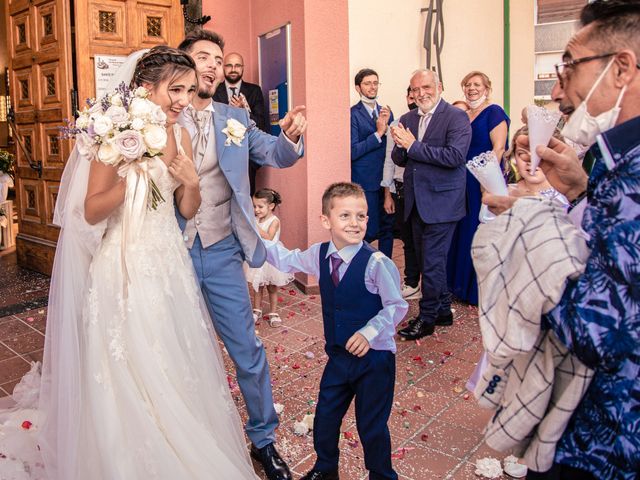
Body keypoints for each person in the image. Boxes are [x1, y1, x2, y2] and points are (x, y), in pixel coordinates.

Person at [0, 47, 260, 479]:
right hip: (121, 267)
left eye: (189, 90)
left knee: (170, 363)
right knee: (125, 368)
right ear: (145, 87)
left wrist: (191, 182)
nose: (182, 99)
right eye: (174, 89)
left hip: (168, 266)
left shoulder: (182, 136)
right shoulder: (117, 133)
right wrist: (135, 174)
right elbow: (91, 209)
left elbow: (187, 207)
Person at [483, 1, 639, 478]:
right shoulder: (619, 165)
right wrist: (578, 191)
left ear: (621, 68)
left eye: (570, 64)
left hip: (606, 441)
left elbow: (593, 331)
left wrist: (533, 219)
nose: (559, 84)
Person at [177, 29, 306, 480]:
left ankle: (263, 441)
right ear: (184, 65)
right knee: (175, 349)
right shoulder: (158, 118)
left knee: (247, 348)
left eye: (218, 57)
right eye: (202, 57)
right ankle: (184, 435)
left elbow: (273, 151)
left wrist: (288, 137)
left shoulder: (234, 118)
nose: (212, 64)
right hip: (169, 253)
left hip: (220, 250)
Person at [263, 182, 408, 480]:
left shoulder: (377, 263)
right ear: (325, 221)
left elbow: (396, 306)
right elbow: (286, 259)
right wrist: (256, 238)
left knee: (372, 426)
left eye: (361, 216)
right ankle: (325, 469)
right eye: (345, 216)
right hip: (339, 358)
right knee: (326, 417)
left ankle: (382, 475)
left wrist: (369, 332)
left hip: (375, 362)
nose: (355, 223)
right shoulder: (319, 255)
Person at [391, 69, 472, 340]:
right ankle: (443, 311)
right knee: (429, 262)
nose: (420, 93)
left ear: (439, 86)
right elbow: (401, 159)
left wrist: (412, 146)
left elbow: (454, 157)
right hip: (415, 201)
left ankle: (426, 319)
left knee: (433, 261)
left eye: (425, 87)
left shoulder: (457, 117)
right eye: (415, 89)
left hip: (443, 202)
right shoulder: (407, 118)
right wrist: (401, 146)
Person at [446, 71, 509, 306]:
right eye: (467, 85)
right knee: (460, 230)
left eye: (476, 84)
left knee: (477, 231)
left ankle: (476, 290)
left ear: (487, 87)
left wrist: (487, 181)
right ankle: (456, 285)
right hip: (460, 178)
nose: (471, 88)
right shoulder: (463, 115)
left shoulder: (494, 112)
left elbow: (499, 148)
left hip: (481, 181)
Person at [350, 68, 395, 258]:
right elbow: (352, 151)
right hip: (365, 180)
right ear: (358, 87)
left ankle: (386, 267)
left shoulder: (386, 112)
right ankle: (363, 268)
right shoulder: (353, 114)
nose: (372, 87)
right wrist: (378, 133)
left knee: (388, 228)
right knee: (367, 229)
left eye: (375, 82)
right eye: (368, 83)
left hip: (386, 179)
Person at [382, 86, 420, 299]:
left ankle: (432, 285)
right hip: (401, 189)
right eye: (411, 95)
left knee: (426, 240)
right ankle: (412, 282)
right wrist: (388, 193)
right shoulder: (397, 125)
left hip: (424, 188)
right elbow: (389, 160)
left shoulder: (431, 125)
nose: (415, 98)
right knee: (408, 239)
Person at [213, 51, 269, 194]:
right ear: (223, 68)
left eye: (237, 66)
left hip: (246, 158)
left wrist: (243, 113)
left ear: (243, 68)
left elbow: (261, 123)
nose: (233, 69)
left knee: (245, 199)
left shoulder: (254, 91)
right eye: (229, 65)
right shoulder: (213, 90)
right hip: (218, 155)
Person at [245, 188, 293, 327]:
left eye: (260, 206)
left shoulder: (274, 220)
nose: (257, 209)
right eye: (254, 206)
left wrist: (254, 225)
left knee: (272, 287)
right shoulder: (256, 219)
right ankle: (257, 309)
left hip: (271, 258)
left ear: (271, 206)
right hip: (258, 255)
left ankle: (273, 312)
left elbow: (269, 237)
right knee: (257, 286)